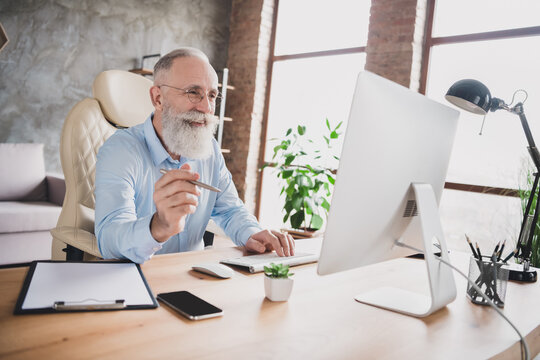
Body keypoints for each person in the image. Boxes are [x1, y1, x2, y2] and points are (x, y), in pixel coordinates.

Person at [95, 47, 295, 263]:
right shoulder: (120, 151)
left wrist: (252, 233)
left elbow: (230, 210)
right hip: (139, 277)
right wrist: (158, 227)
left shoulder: (209, 150)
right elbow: (109, 240)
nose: (207, 108)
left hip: (192, 273)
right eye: (193, 92)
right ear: (158, 98)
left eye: (212, 95)